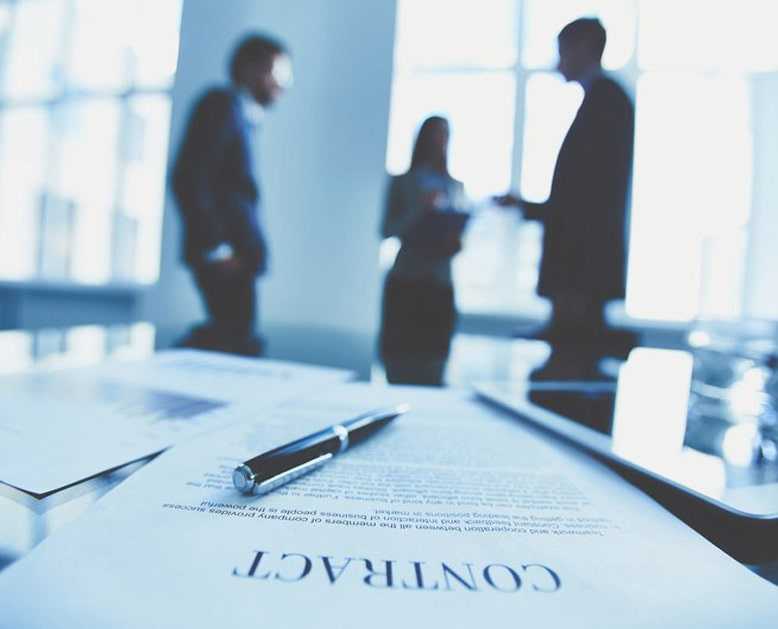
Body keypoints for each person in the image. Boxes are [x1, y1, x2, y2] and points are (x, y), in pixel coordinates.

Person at [497, 18, 634, 341]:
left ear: (583, 48)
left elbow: (588, 197)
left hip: (581, 268)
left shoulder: (606, 102)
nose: (558, 62)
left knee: (573, 350)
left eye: (563, 51)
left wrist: (539, 211)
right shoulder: (602, 100)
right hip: (580, 268)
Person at [171, 33, 293, 356]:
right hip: (225, 255)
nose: (283, 84)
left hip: (237, 257)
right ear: (251, 69)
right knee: (234, 341)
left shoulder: (241, 115)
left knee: (235, 339)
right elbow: (188, 178)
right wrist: (216, 248)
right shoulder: (220, 105)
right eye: (278, 73)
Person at [379, 116, 468, 385]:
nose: (441, 141)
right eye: (435, 134)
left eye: (445, 135)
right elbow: (387, 229)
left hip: (439, 285)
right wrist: (420, 209)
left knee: (435, 362)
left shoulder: (456, 186)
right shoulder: (403, 182)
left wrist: (455, 241)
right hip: (407, 282)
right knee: (400, 362)